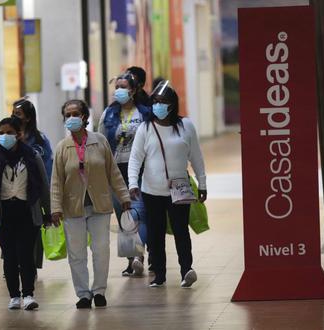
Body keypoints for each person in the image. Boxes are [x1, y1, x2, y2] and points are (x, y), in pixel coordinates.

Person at [50, 100, 131, 309]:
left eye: (75, 114)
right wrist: (55, 208)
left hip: (99, 205)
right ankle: (83, 294)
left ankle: (99, 291)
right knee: (76, 253)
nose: (71, 118)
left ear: (85, 117)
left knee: (101, 249)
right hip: (72, 207)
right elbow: (57, 181)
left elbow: (113, 173)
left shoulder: (100, 141)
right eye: (67, 115)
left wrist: (124, 197)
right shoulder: (62, 147)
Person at [128, 81, 207, 288]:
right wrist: (132, 183)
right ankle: (159, 275)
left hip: (179, 189)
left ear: (172, 104)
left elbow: (196, 156)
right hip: (151, 190)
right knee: (155, 233)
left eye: (163, 102)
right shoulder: (145, 128)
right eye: (156, 102)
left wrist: (202, 183)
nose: (158, 106)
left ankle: (186, 270)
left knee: (181, 230)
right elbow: (135, 158)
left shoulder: (186, 126)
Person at [0, 117, 50, 310]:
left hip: (27, 212)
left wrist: (48, 211)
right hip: (4, 214)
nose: (5, 136)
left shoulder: (32, 156)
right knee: (10, 256)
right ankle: (14, 296)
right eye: (1, 133)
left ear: (19, 134)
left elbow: (43, 186)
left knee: (26, 254)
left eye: (9, 132)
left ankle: (28, 294)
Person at [99, 73, 150, 277]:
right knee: (123, 217)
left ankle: (139, 256)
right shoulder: (109, 114)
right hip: (115, 171)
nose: (118, 90)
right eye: (116, 86)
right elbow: (101, 140)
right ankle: (132, 261)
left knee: (139, 213)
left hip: (140, 169)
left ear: (134, 90)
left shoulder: (145, 113)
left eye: (123, 86)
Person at [11, 98, 53, 273]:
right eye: (13, 113)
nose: (14, 117)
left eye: (18, 114)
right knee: (12, 232)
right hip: (11, 193)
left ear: (28, 118)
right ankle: (13, 265)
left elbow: (46, 168)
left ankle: (30, 267)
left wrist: (47, 199)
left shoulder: (39, 140)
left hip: (32, 193)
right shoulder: (8, 136)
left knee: (32, 231)